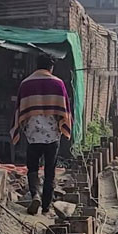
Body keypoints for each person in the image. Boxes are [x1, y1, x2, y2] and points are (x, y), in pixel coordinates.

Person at [12, 55, 72, 215]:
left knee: (32, 167)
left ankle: (35, 194)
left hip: (33, 135)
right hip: (52, 135)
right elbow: (65, 110)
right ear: (51, 68)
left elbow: (19, 110)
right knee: (50, 169)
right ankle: (46, 206)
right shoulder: (58, 83)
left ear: (36, 66)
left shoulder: (26, 84)